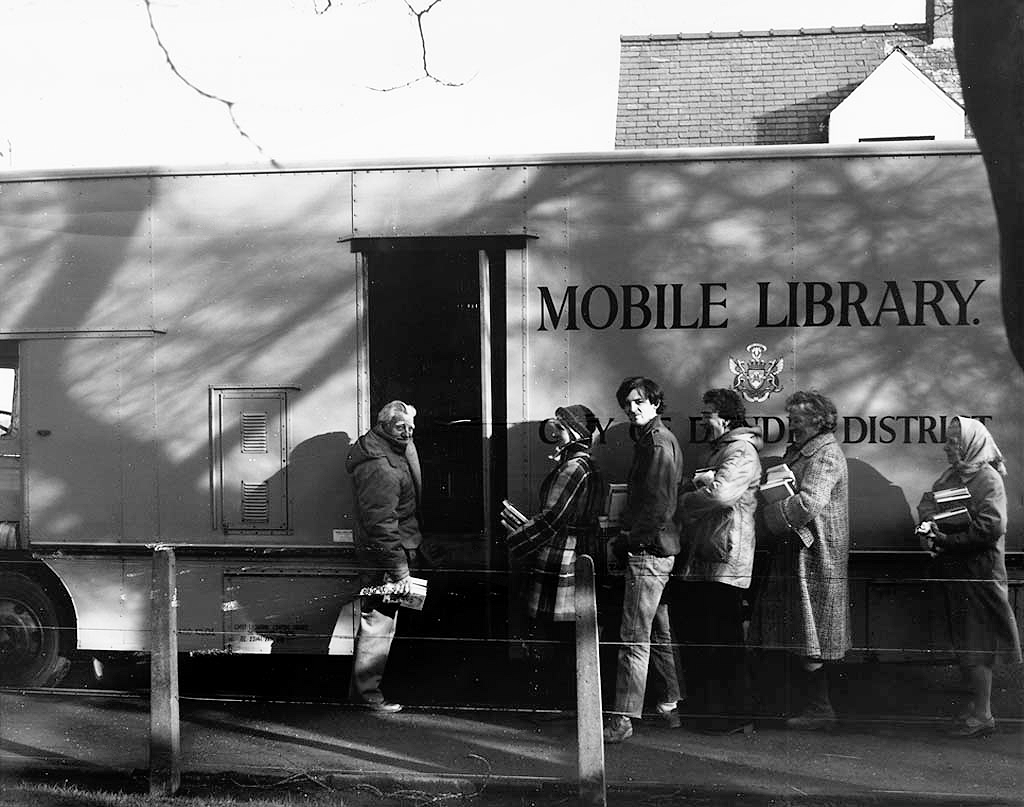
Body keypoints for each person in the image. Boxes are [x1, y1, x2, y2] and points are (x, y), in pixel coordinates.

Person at [749, 390, 850, 730]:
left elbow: (808, 503)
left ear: (819, 420)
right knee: (799, 633)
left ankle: (820, 710)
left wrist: (767, 515)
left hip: (815, 554)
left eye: (797, 416)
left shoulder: (826, 455)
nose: (790, 421)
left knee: (811, 634)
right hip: (796, 551)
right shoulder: (803, 451)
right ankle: (808, 707)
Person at [915, 416, 1022, 738]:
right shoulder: (953, 476)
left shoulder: (988, 479)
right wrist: (928, 524)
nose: (947, 447)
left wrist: (947, 539)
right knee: (966, 640)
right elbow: (928, 503)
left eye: (954, 442)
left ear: (971, 445)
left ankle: (983, 714)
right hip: (957, 571)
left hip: (979, 572)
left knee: (977, 642)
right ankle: (976, 709)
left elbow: (992, 526)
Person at [501, 404, 605, 710]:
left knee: (559, 634)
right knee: (571, 635)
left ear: (574, 433)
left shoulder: (574, 467)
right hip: (578, 551)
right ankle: (571, 702)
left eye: (559, 429)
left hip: (563, 556)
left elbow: (552, 518)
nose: (554, 435)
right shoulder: (586, 464)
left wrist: (517, 538)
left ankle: (559, 702)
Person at [673, 388, 762, 734]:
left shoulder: (740, 450)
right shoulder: (724, 450)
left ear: (725, 416)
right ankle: (714, 714)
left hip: (725, 558)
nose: (704, 420)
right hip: (711, 556)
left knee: (722, 639)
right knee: (709, 637)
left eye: (708, 413)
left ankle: (734, 716)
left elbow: (722, 493)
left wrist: (684, 501)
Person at [603, 376, 685, 743]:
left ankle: (621, 721)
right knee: (659, 633)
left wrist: (627, 542)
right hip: (658, 551)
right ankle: (670, 705)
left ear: (655, 402)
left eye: (639, 402)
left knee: (633, 638)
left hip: (648, 552)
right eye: (627, 403)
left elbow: (658, 507)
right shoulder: (654, 440)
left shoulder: (656, 443)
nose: (632, 408)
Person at [345, 400, 423, 713]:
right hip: (386, 558)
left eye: (411, 428)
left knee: (383, 621)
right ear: (384, 425)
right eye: (401, 427)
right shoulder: (380, 466)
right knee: (378, 621)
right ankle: (366, 696)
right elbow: (381, 525)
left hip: (393, 551)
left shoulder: (389, 449)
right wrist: (399, 570)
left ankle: (366, 691)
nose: (407, 433)